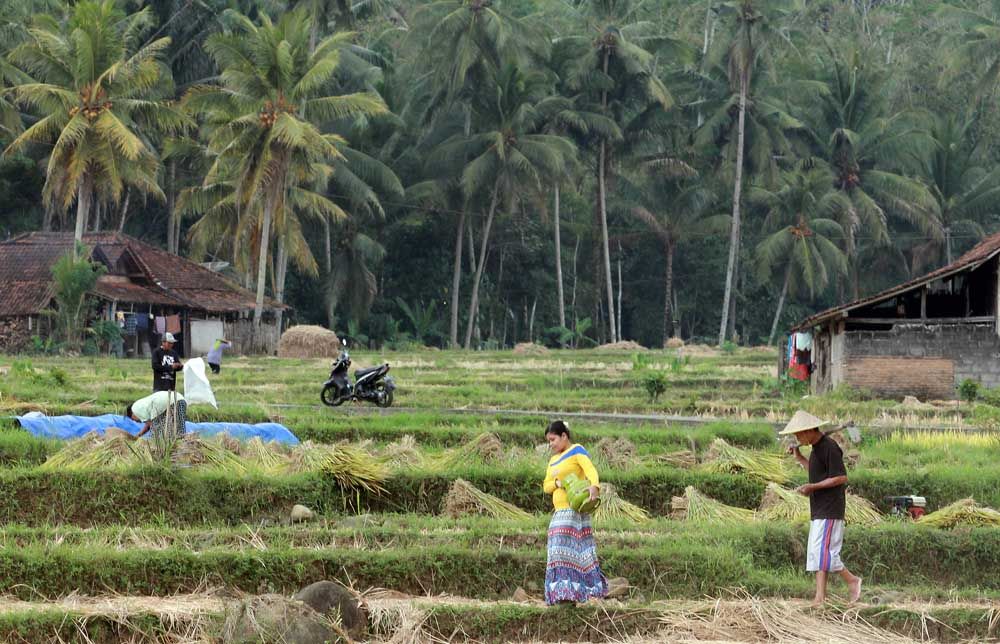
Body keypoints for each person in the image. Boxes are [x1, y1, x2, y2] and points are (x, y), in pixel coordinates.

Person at [781, 410, 862, 606]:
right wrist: (799, 457)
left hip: (830, 508)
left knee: (825, 554)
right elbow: (817, 472)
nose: (797, 439)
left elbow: (841, 477)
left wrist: (812, 487)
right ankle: (819, 598)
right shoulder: (816, 449)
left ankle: (852, 580)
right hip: (819, 508)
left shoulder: (829, 447)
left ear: (809, 431)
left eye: (799, 435)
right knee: (817, 553)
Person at [541, 420, 608, 605]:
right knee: (555, 550)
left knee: (569, 551)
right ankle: (562, 593)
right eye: (549, 441)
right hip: (559, 511)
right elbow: (546, 485)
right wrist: (557, 483)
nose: (551, 444)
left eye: (553, 439)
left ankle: (575, 591)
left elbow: (590, 469)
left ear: (564, 436)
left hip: (573, 510)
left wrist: (594, 486)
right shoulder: (553, 460)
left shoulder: (577, 450)